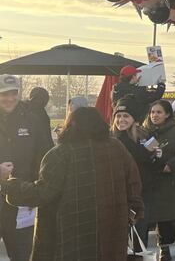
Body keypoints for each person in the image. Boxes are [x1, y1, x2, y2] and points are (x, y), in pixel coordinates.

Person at [0, 107, 143, 261]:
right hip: (110, 234)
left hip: (71, 236)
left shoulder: (61, 153)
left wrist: (8, 184)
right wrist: (134, 209)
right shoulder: (116, 147)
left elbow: (42, 193)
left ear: (70, 125)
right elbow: (133, 181)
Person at [0, 74, 53, 261]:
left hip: (22, 199)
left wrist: (37, 189)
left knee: (22, 255)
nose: (9, 98)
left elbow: (46, 157)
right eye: (4, 94)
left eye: (13, 93)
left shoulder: (32, 120)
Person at [110, 97, 160, 256]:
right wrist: (149, 153)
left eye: (126, 116)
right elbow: (135, 156)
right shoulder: (111, 139)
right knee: (121, 236)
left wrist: (155, 155)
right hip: (120, 193)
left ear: (134, 118)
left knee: (140, 234)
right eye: (118, 116)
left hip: (142, 191)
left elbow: (148, 161)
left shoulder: (143, 135)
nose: (121, 120)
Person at [140, 100, 175, 260]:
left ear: (167, 114)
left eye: (159, 112)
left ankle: (164, 248)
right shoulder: (142, 132)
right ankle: (141, 249)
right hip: (147, 180)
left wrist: (171, 165)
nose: (154, 115)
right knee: (144, 217)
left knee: (166, 218)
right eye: (152, 112)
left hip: (167, 181)